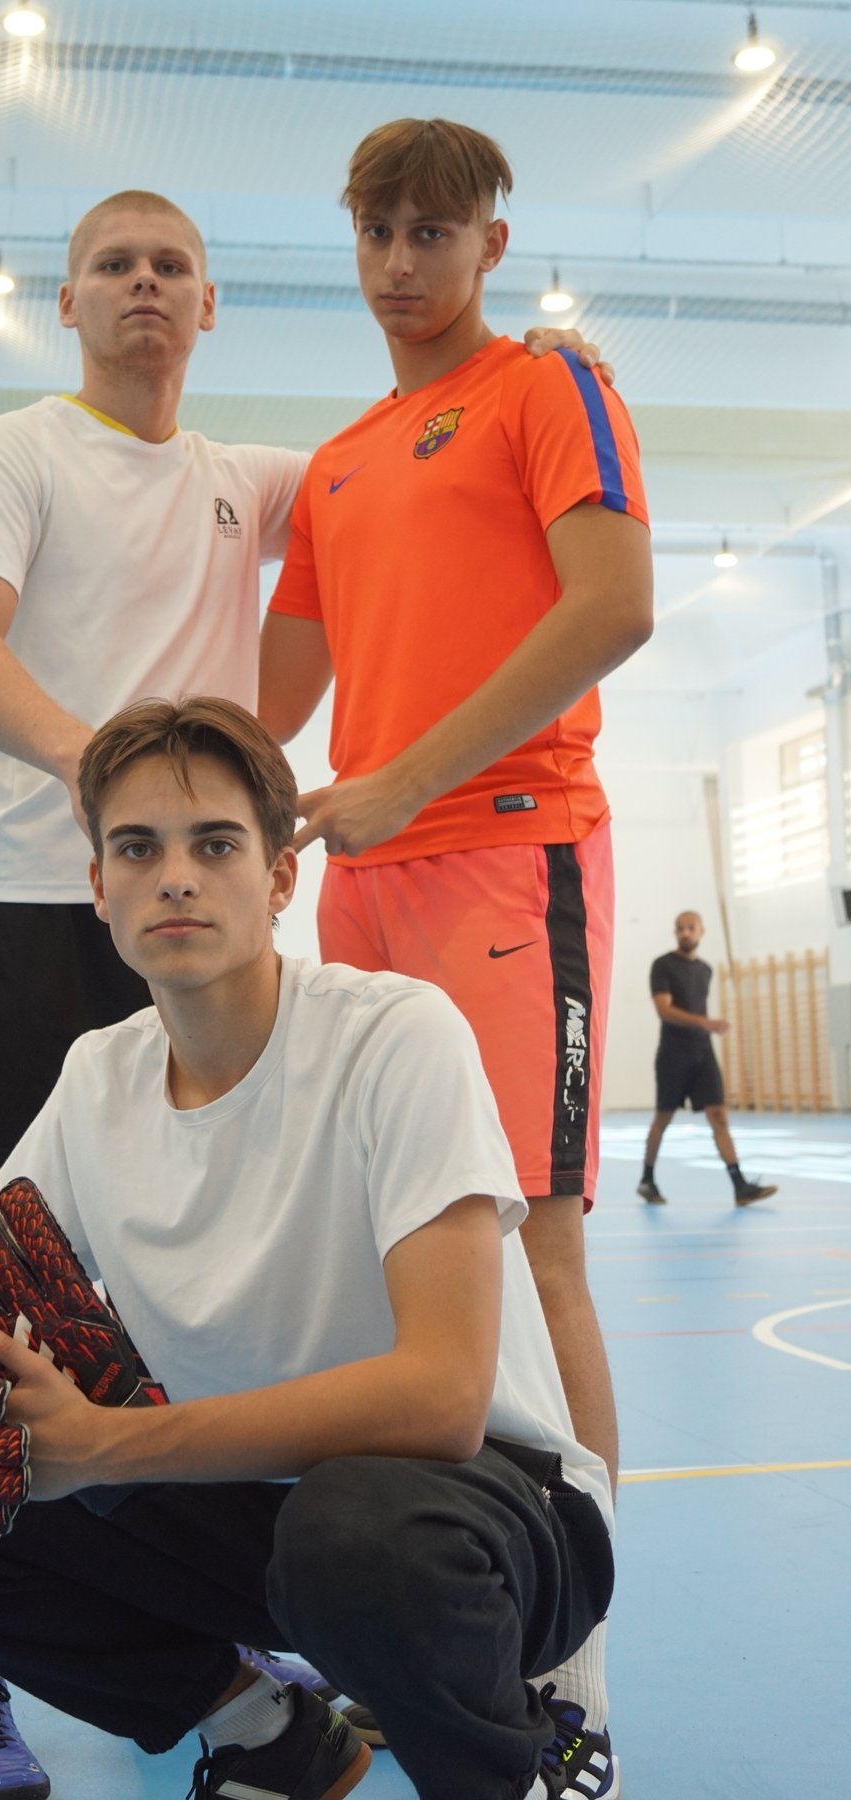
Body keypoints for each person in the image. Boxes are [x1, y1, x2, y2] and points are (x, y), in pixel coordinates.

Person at [0, 181, 607, 1796]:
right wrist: (112, 781)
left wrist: (548, 379)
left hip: (201, 900)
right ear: (69, 302)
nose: (144, 285)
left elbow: (409, 466)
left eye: (173, 265)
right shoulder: (12, 450)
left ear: (211, 304)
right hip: (40, 894)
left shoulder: (257, 482)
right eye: (112, 266)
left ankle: (368, 1647)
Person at [0, 697, 615, 1800]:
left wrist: (106, 1443)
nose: (175, 878)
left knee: (354, 1534)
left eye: (215, 845)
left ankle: (519, 1761)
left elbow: (443, 1399)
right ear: (98, 886)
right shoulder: (98, 1078)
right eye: (137, 848)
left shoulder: (396, 1035)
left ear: (280, 877)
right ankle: (265, 1735)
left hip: (493, 1516)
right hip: (256, 1506)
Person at [258, 117, 654, 1776]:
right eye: (379, 233)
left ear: (492, 241)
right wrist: (143, 806)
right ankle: (425, 1631)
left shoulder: (545, 387)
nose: (402, 263)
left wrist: (408, 774)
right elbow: (264, 707)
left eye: (435, 232)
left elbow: (615, 605)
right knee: (388, 1271)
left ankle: (572, 1676)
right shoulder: (341, 463)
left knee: (532, 1251)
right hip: (359, 889)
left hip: (506, 861)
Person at [638, 910, 776, 1207]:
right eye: (680, 928)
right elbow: (664, 1010)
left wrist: (705, 1028)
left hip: (702, 1054)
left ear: (701, 931)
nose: (685, 933)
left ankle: (740, 1186)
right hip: (673, 1055)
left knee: (719, 1117)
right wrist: (706, 1023)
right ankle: (647, 1180)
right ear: (675, 932)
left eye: (691, 927)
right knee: (663, 1118)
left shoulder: (705, 970)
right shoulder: (662, 965)